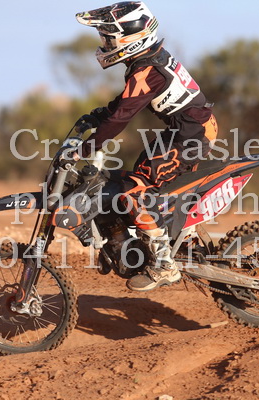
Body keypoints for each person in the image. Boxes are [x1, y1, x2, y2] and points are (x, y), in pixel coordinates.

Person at [74, 1, 218, 291]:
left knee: (135, 191)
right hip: (186, 132)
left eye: (109, 38)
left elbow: (121, 118)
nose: (105, 44)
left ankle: (165, 265)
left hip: (190, 137)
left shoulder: (147, 69)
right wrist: (101, 114)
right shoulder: (147, 60)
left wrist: (85, 149)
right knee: (128, 179)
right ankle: (153, 242)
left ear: (130, 37)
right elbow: (126, 102)